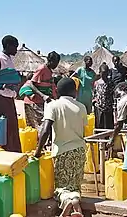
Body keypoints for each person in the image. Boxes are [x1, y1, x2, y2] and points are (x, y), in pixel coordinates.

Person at [34, 78, 87, 217]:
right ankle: (76, 204)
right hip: (80, 151)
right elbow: (84, 130)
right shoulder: (81, 107)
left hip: (63, 153)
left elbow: (45, 130)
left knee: (61, 188)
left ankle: (66, 202)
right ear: (75, 92)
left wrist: (38, 151)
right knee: (74, 186)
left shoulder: (53, 106)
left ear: (56, 91)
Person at [0, 35, 21, 152]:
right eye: (15, 47)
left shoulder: (9, 59)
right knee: (5, 131)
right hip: (1, 99)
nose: (16, 50)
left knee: (12, 129)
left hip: (9, 99)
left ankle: (13, 155)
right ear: (8, 46)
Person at [24, 51, 60, 131]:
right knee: (39, 124)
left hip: (42, 101)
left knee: (44, 123)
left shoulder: (49, 71)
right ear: (50, 61)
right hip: (34, 101)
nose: (56, 65)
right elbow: (31, 84)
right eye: (55, 63)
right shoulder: (42, 69)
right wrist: (43, 95)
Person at [93, 64, 114, 129]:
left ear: (108, 73)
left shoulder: (111, 83)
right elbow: (94, 93)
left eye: (106, 73)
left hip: (108, 108)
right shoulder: (96, 83)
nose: (104, 75)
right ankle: (99, 138)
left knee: (108, 125)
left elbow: (113, 94)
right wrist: (94, 101)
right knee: (99, 125)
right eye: (102, 73)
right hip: (99, 107)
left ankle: (108, 138)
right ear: (99, 73)